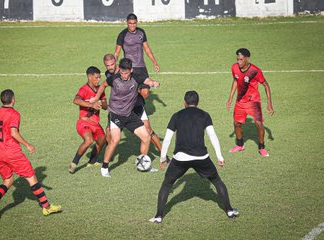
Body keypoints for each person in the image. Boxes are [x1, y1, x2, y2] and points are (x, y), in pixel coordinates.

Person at [149, 91, 238, 224]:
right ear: (198, 102)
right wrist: (219, 156)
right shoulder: (204, 115)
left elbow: (167, 139)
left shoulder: (176, 116)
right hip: (201, 158)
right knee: (217, 181)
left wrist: (163, 158)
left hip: (180, 159)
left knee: (167, 184)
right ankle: (230, 210)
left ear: (184, 102)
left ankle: (158, 216)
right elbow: (212, 136)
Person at [0, 89, 62, 219]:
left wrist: (0, 147)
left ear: (1, 100)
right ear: (13, 99)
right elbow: (14, 133)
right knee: (32, 177)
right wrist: (28, 145)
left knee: (8, 180)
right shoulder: (14, 114)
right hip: (13, 154)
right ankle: (47, 207)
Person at [91, 58, 160, 177]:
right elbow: (103, 85)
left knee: (146, 137)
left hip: (129, 114)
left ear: (131, 70)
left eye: (126, 73)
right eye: (122, 72)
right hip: (116, 114)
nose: (123, 75)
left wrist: (154, 83)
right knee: (115, 140)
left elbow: (148, 81)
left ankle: (143, 164)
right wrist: (96, 98)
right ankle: (105, 167)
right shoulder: (114, 78)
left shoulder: (136, 77)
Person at [103, 54, 167, 160]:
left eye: (112, 64)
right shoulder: (108, 75)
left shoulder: (130, 72)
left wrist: (152, 83)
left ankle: (163, 156)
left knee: (148, 130)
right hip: (120, 110)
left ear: (117, 63)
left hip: (136, 105)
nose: (110, 67)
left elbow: (143, 81)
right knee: (108, 131)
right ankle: (109, 156)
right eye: (107, 65)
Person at [226, 48, 274, 157]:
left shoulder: (255, 71)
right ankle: (240, 145)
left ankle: (261, 147)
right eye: (237, 59)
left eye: (241, 59)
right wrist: (230, 98)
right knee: (237, 123)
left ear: (247, 58)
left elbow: (266, 85)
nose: (238, 62)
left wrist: (269, 103)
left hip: (253, 102)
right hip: (240, 102)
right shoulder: (234, 67)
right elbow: (235, 80)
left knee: (258, 123)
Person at [68, 66, 108, 174]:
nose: (98, 80)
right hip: (83, 122)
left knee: (102, 141)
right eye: (96, 78)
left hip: (95, 123)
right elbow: (76, 100)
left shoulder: (100, 90)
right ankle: (73, 164)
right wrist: (91, 104)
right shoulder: (84, 89)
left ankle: (92, 161)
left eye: (100, 78)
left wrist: (101, 102)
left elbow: (105, 106)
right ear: (90, 77)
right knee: (89, 140)